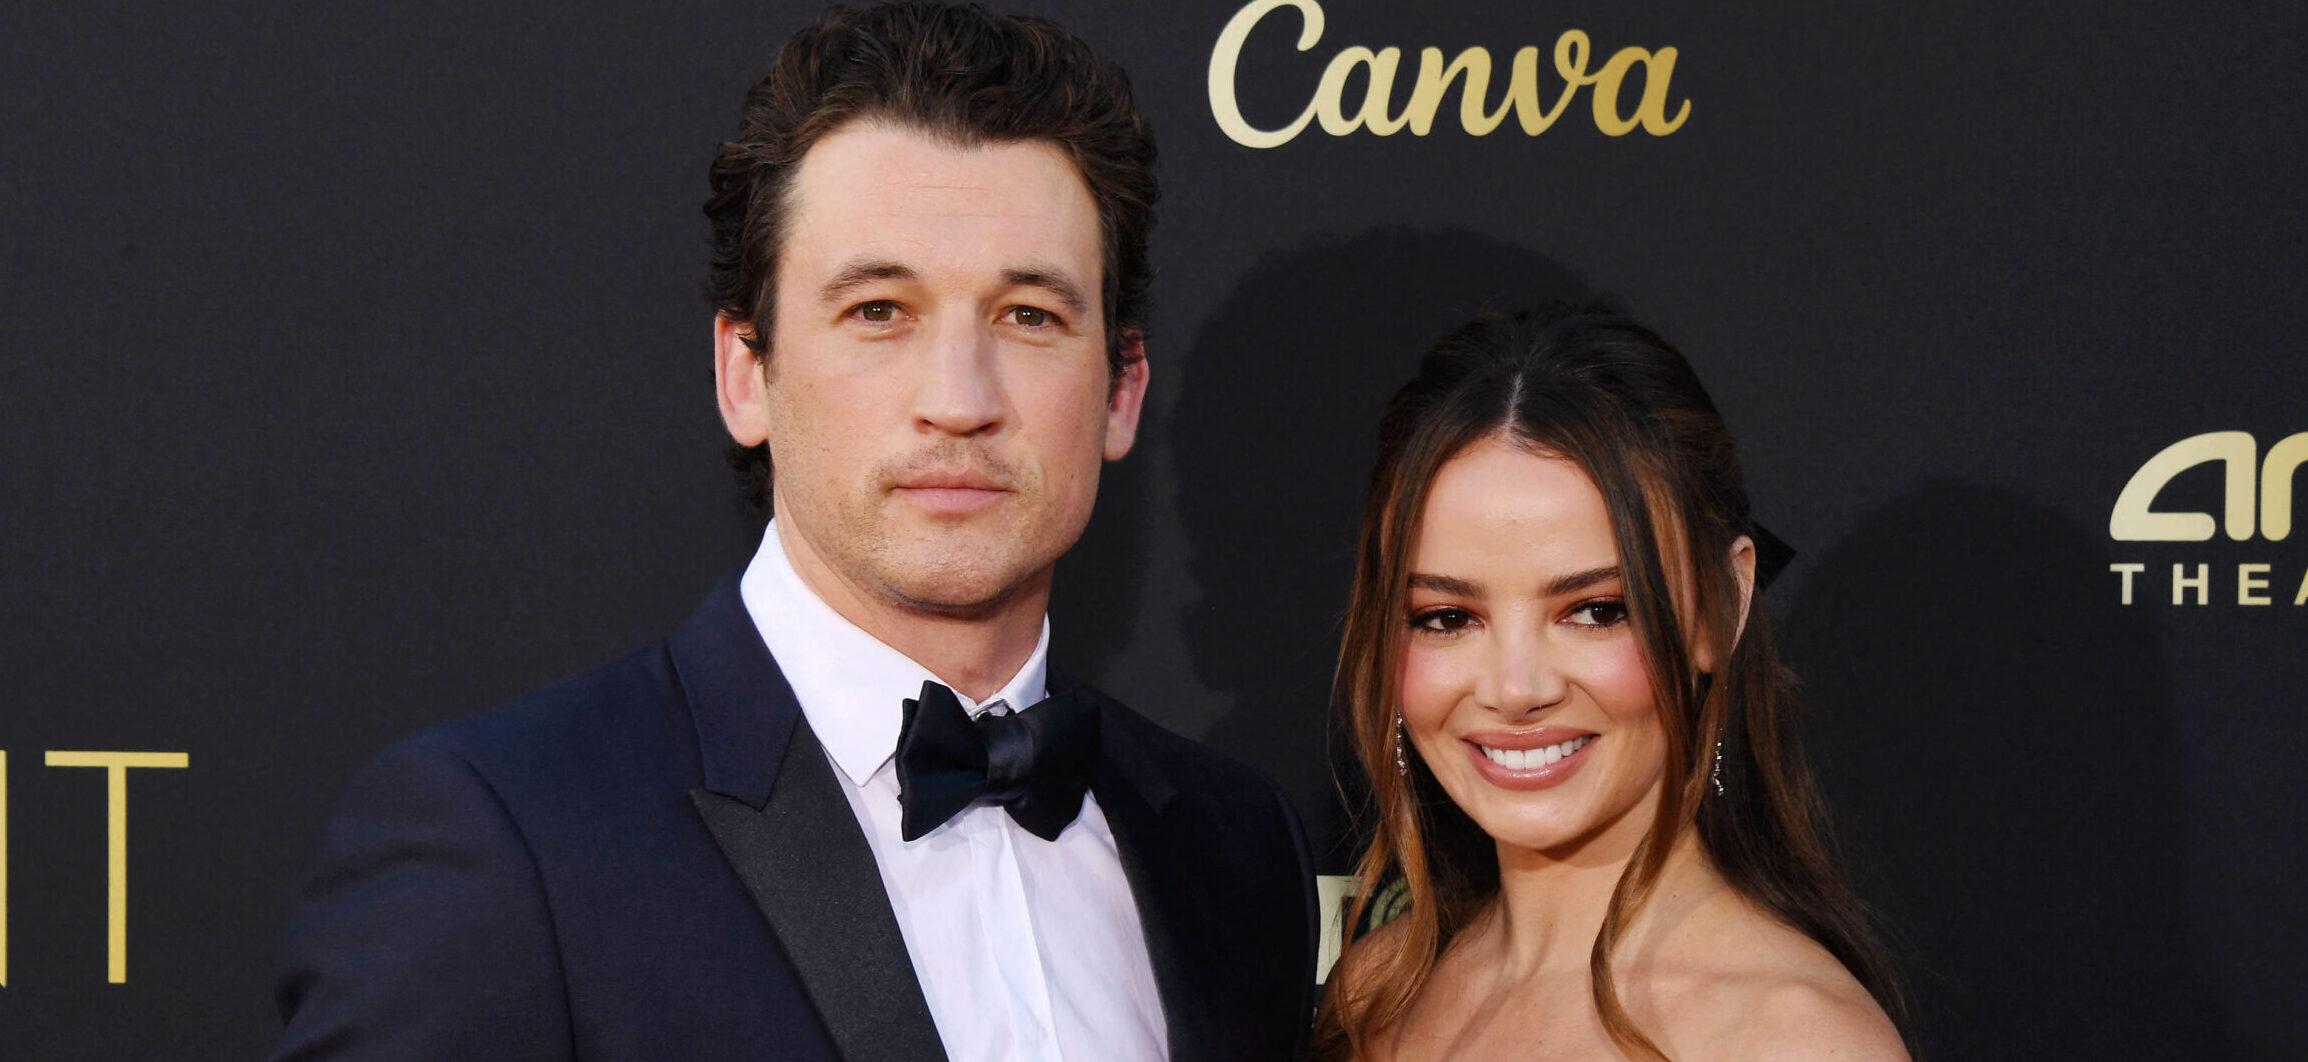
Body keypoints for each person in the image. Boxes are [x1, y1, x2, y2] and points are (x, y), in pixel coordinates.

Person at [270, 4, 1316, 1060]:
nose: (958, 400)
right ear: (745, 373)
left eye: (1027, 317)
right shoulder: (511, 845)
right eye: (878, 311)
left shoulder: (1230, 847)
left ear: (1120, 391)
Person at [1313, 306, 1910, 1060]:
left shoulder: (1793, 1040)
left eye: (1595, 611)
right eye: (1446, 617)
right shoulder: (1377, 992)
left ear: (1719, 608)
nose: (1516, 688)